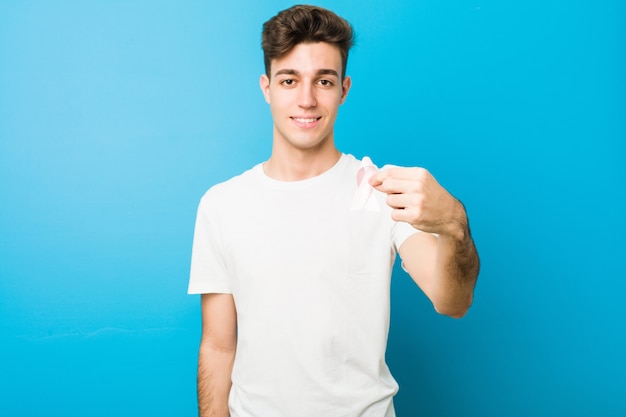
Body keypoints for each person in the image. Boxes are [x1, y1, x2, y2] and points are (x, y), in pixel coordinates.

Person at [188, 4, 479, 417]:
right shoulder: (221, 204)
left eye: (322, 81)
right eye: (289, 80)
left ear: (343, 89)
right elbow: (218, 345)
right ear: (266, 87)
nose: (306, 100)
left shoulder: (382, 191)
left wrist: (454, 223)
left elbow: (454, 302)